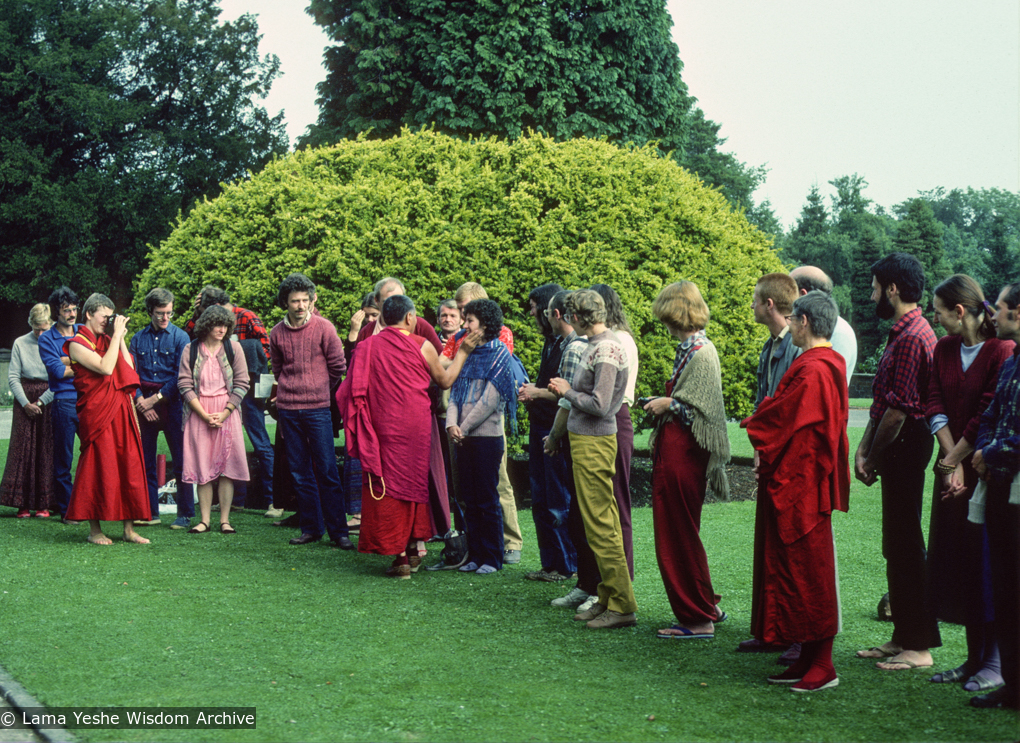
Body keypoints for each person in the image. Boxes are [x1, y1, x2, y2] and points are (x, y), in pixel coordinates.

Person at [742, 290, 850, 692]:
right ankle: (806, 657)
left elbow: (784, 417)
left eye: (794, 319)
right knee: (794, 569)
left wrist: (758, 421)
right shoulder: (822, 365)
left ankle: (823, 663)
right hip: (798, 477)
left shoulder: (816, 369)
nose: (789, 325)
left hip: (803, 483)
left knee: (810, 572)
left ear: (803, 322)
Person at [336, 295, 479, 578]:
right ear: (410, 318)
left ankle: (401, 555)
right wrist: (463, 352)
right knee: (414, 483)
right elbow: (445, 381)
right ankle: (413, 550)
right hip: (416, 425)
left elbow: (347, 391)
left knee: (387, 486)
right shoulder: (423, 345)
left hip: (382, 427)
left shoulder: (366, 347)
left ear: (383, 319)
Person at [925, 275, 1013, 693]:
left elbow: (986, 412)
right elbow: (933, 400)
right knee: (957, 562)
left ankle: (994, 662)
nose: (935, 319)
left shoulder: (1002, 351)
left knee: (985, 564)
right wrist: (949, 461)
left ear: (959, 312)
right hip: (953, 472)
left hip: (984, 472)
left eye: (939, 312)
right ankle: (972, 658)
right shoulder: (943, 349)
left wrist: (958, 459)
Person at [854, 252, 941, 671]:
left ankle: (918, 646)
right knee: (897, 542)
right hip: (900, 445)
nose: (872, 296)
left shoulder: (911, 337)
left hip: (907, 445)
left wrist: (872, 454)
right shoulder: (905, 332)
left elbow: (899, 410)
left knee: (905, 544)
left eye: (875, 288)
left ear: (892, 288)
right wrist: (865, 448)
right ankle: (903, 635)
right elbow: (882, 403)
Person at [644, 281, 729, 640]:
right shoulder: (690, 348)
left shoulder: (700, 351)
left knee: (677, 534)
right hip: (678, 448)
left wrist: (669, 404)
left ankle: (696, 619)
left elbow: (704, 411)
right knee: (681, 531)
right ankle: (706, 605)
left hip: (685, 452)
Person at [547, 290, 635, 629]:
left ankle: (622, 605)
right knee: (598, 522)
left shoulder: (606, 348)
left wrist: (565, 390)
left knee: (601, 526)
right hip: (588, 440)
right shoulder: (598, 344)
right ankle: (608, 598)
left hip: (594, 441)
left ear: (581, 317)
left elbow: (599, 404)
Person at [740, 272, 801, 656]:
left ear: (770, 305)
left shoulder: (795, 348)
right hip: (771, 455)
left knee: (788, 547)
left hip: (787, 461)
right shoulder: (771, 346)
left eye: (755, 300)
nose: (752, 307)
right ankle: (772, 629)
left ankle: (794, 633)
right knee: (768, 546)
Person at [270, 273, 353, 549]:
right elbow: (278, 369)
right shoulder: (276, 333)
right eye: (295, 300)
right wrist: (291, 390)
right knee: (299, 471)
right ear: (286, 302)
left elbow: (338, 366)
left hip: (318, 409)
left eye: (305, 300)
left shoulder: (324, 327)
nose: (301, 305)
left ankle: (338, 532)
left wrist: (319, 389)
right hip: (289, 410)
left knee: (328, 470)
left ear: (312, 299)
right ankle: (311, 528)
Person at [442, 281, 523, 565]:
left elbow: (490, 398)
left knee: (492, 492)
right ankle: (475, 553)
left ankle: (498, 551)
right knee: (469, 495)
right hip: (461, 432)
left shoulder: (499, 346)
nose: (463, 323)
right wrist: (452, 424)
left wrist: (463, 426)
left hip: (485, 433)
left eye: (468, 316)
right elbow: (453, 387)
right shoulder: (464, 345)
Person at [63, 293, 150, 545]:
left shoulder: (109, 339)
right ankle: (94, 531)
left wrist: (119, 337)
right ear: (89, 314)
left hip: (121, 409)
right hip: (98, 412)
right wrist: (116, 339)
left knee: (129, 463)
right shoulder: (77, 343)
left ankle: (129, 529)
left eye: (111, 317)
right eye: (104, 316)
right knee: (98, 465)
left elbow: (129, 369)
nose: (108, 321)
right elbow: (104, 367)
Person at [969, 281, 1020, 709]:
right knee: (1005, 587)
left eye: (998, 308)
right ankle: (1013, 684)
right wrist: (986, 449)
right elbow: (990, 414)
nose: (992, 315)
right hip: (1002, 489)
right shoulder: (1011, 360)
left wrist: (989, 452)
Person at [185, 287, 276, 517]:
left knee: (259, 441)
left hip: (248, 384)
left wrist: (244, 362)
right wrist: (196, 313)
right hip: (215, 391)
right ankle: (238, 501)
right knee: (224, 450)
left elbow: (266, 346)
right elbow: (192, 335)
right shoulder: (204, 326)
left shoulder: (246, 315)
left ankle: (272, 500)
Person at [517, 283, 576, 582]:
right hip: (540, 426)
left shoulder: (571, 345)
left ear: (549, 312)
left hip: (556, 429)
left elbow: (568, 394)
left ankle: (566, 565)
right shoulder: (551, 342)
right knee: (540, 497)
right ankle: (550, 563)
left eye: (532, 309)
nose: (530, 314)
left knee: (557, 498)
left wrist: (536, 392)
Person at [178, 305, 250, 534]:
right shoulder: (191, 349)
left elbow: (242, 383)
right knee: (202, 466)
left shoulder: (234, 348)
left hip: (226, 411)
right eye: (217, 325)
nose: (222, 329)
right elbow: (184, 384)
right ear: (206, 326)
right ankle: (205, 520)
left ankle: (225, 520)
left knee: (227, 467)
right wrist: (203, 414)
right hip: (199, 412)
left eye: (226, 325)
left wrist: (226, 412)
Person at [130, 288, 194, 529]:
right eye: (159, 313)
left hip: (173, 403)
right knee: (145, 461)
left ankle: (185, 513)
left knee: (181, 460)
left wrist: (154, 399)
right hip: (144, 404)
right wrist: (140, 402)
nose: (165, 317)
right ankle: (150, 512)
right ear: (150, 312)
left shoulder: (181, 338)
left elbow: (180, 376)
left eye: (168, 312)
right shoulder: (137, 339)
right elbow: (131, 374)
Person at [592, 283, 638, 578]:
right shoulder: (616, 338)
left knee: (617, 500)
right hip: (609, 416)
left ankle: (623, 576)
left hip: (614, 415)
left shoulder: (617, 340)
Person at [1, 304, 56, 517]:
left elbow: (58, 377)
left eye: (44, 328)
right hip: (24, 398)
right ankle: (21, 503)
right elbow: (13, 376)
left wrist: (41, 402)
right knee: (22, 450)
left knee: (45, 448)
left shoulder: (55, 342)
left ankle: (43, 503)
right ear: (30, 325)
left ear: (50, 324)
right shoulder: (20, 343)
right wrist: (26, 404)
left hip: (47, 399)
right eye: (36, 329)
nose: (41, 334)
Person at [37, 286, 81, 524]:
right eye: (66, 310)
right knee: (63, 459)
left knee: (93, 453)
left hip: (88, 400)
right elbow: (57, 371)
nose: (72, 314)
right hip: (63, 401)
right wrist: (83, 361)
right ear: (57, 312)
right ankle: (67, 511)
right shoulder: (46, 338)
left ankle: (90, 505)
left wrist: (68, 359)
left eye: (74, 309)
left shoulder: (83, 331)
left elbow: (101, 358)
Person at [341, 292, 381, 532]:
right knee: (355, 456)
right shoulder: (362, 332)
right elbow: (350, 363)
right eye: (366, 315)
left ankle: (372, 513)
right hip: (359, 404)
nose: (369, 320)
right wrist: (353, 334)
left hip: (379, 404)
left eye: (374, 315)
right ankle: (356, 512)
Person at [790, 266, 859, 383]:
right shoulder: (809, 326)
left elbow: (821, 385)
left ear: (803, 294)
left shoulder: (838, 331)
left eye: (788, 291)